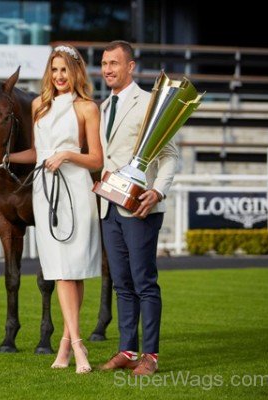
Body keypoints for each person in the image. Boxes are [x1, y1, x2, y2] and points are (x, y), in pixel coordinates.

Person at [7, 44, 103, 374]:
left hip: (76, 190)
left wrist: (66, 155)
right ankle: (72, 344)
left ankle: (71, 344)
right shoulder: (38, 106)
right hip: (46, 193)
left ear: (75, 72)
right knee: (60, 269)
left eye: (64, 69)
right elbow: (38, 151)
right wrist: (5, 158)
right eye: (54, 70)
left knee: (72, 270)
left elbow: (96, 159)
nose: (59, 76)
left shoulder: (88, 108)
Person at [97, 40, 178, 376]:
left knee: (144, 282)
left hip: (141, 208)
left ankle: (151, 356)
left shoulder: (150, 103)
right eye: (103, 63)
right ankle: (127, 350)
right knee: (121, 283)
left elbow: (170, 155)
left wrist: (157, 192)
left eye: (114, 63)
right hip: (109, 208)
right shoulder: (102, 107)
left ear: (130, 67)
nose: (107, 69)